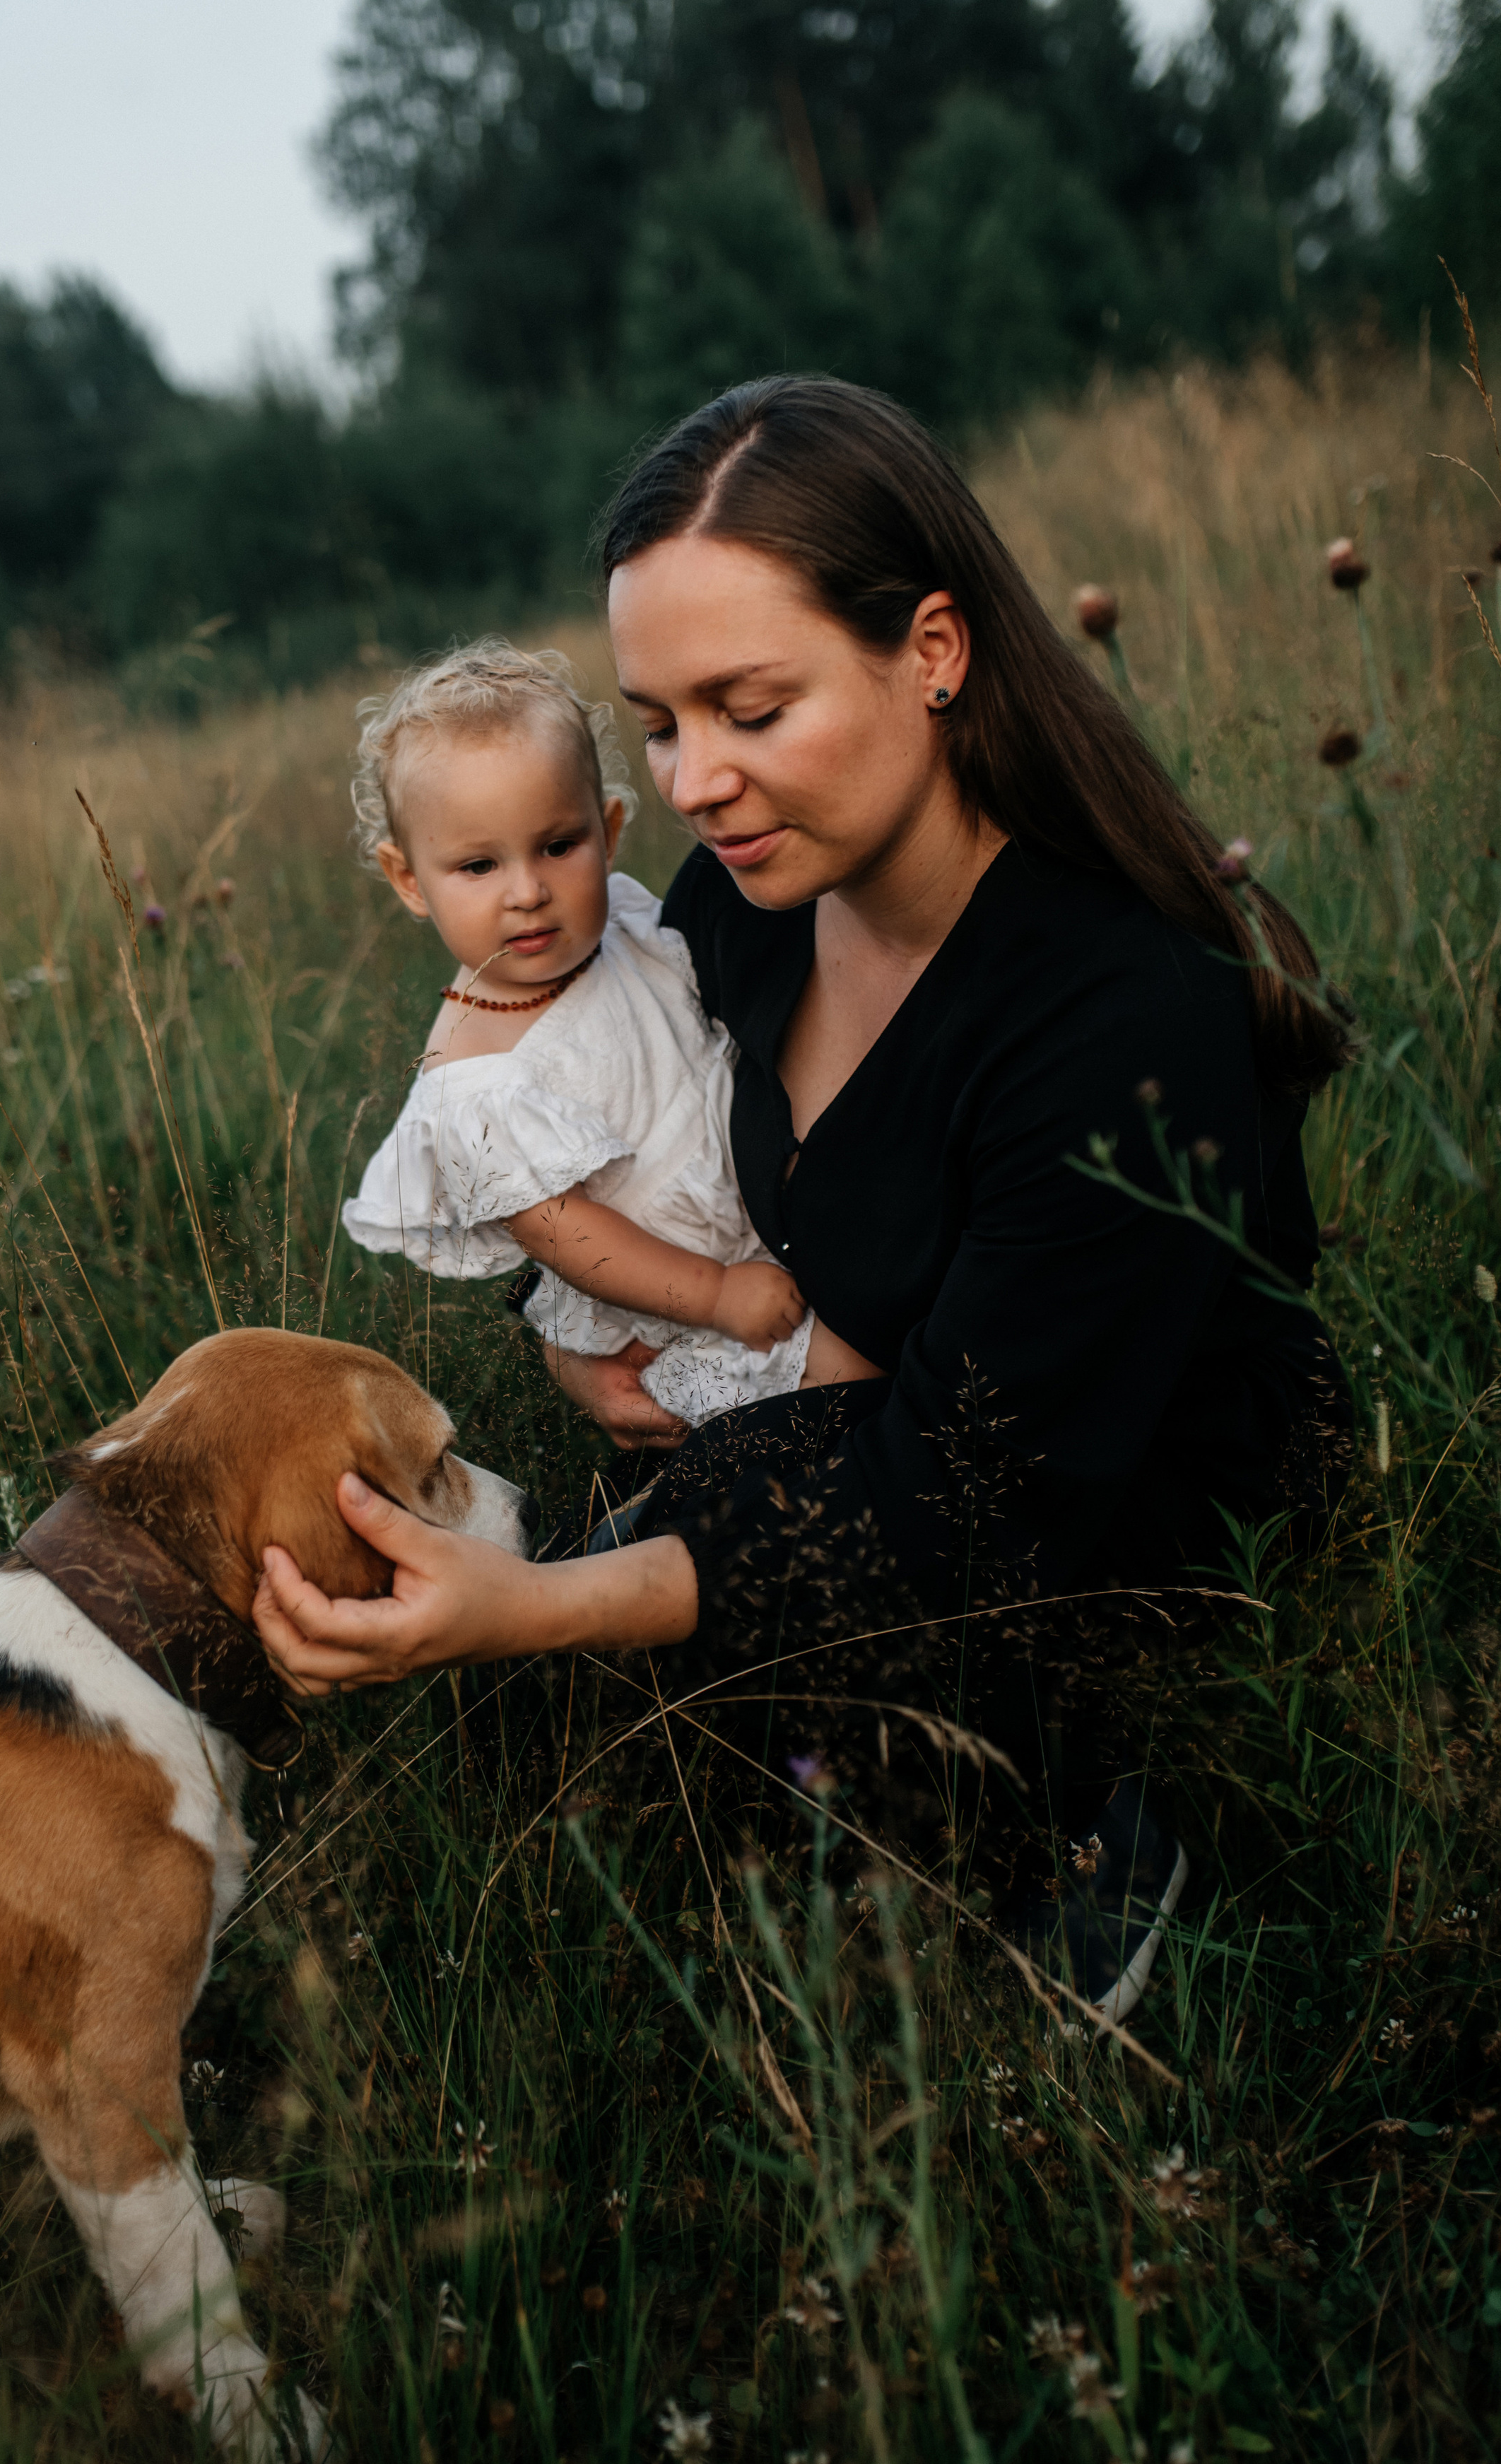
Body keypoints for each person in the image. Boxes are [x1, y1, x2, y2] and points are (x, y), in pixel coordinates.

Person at [254, 377, 1352, 2022]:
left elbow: (956, 1497)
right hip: (838, 1416)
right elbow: (603, 1142)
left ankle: (1096, 1861)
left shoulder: (1116, 1014)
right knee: (551, 1721)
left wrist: (548, 1603)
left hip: (1098, 1499)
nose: (694, 782)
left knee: (627, 1645)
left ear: (931, 650)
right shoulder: (744, 905)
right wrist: (565, 1342)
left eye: (749, 709)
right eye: (658, 724)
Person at [341, 639, 827, 1428]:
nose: (528, 892)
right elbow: (568, 1237)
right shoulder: (476, 1086)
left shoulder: (626, 925)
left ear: (608, 831)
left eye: (558, 846)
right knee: (824, 1403)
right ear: (409, 880)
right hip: (685, 1316)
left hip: (774, 1230)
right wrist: (715, 1294)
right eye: (478, 867)